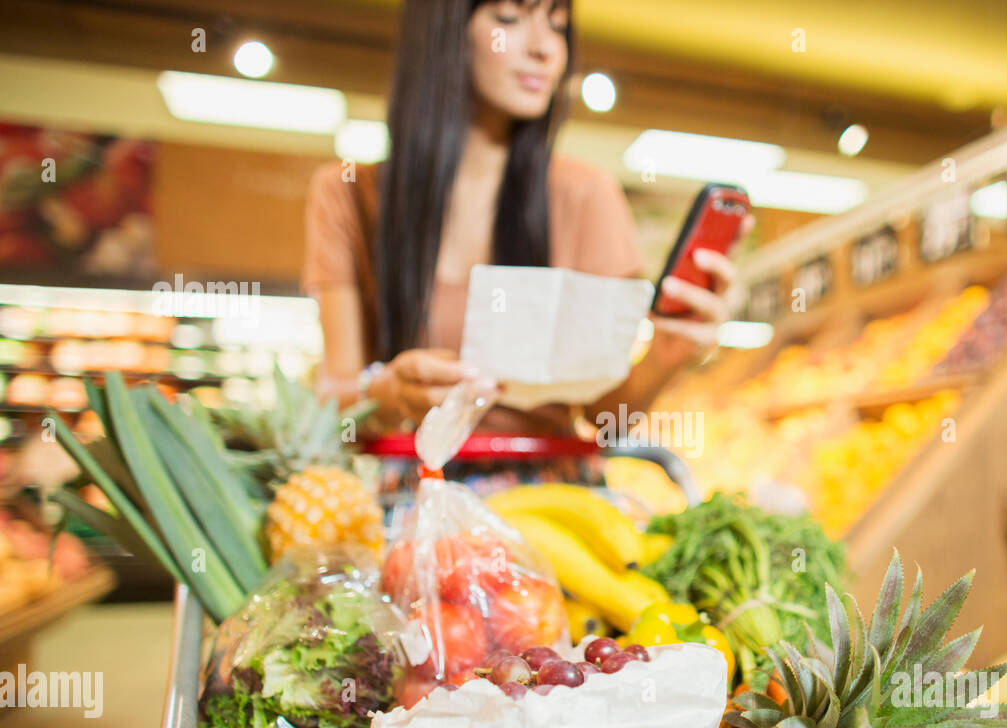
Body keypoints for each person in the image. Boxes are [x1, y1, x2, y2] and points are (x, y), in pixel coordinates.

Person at [302, 0, 752, 436]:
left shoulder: (586, 194)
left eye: (557, 26)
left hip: (546, 492)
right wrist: (386, 393)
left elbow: (606, 418)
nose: (546, 48)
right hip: (408, 489)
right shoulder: (345, 193)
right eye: (510, 17)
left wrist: (666, 356)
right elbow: (334, 400)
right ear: (445, 31)